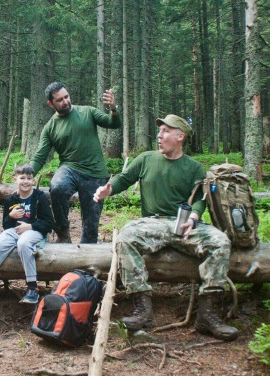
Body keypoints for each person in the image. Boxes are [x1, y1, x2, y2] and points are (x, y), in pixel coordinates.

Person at [93, 114, 238, 341]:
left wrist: (195, 217)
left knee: (219, 242)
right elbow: (124, 178)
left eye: (165, 132)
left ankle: (208, 314)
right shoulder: (146, 159)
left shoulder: (194, 168)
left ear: (179, 136)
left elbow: (200, 198)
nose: (159, 136)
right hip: (153, 222)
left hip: (183, 224)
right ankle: (143, 310)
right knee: (125, 238)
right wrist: (107, 189)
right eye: (159, 131)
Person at [30, 81, 121, 244]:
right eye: (59, 100)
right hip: (69, 168)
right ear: (51, 103)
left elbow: (113, 124)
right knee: (57, 187)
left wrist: (113, 109)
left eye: (66, 97)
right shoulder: (50, 127)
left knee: (91, 228)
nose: (65, 101)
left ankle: (85, 263)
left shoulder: (88, 112)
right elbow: (40, 156)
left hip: (95, 173)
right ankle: (63, 230)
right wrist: (27, 175)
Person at [0, 164, 55, 304]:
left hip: (35, 231)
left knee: (23, 243)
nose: (26, 181)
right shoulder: (10, 200)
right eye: (22, 178)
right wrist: (11, 216)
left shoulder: (39, 197)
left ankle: (32, 288)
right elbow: (6, 225)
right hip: (14, 231)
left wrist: (30, 226)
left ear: (33, 180)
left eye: (29, 178)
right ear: (15, 180)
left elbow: (49, 223)